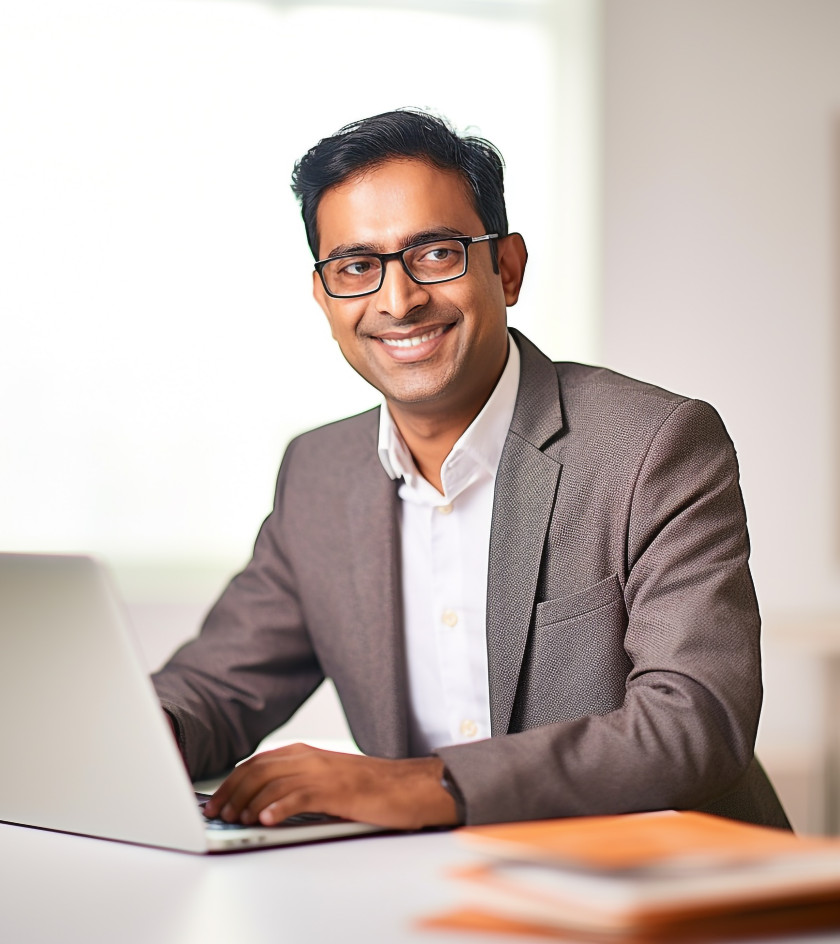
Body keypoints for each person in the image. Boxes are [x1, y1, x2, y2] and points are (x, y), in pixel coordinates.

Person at [151, 109, 789, 832]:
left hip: (672, 897)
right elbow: (214, 688)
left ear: (506, 268)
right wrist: (127, 739)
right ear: (325, 298)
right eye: (357, 267)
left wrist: (423, 787)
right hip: (436, 894)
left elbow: (694, 723)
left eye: (435, 254)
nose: (398, 300)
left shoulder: (654, 446)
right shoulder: (319, 473)